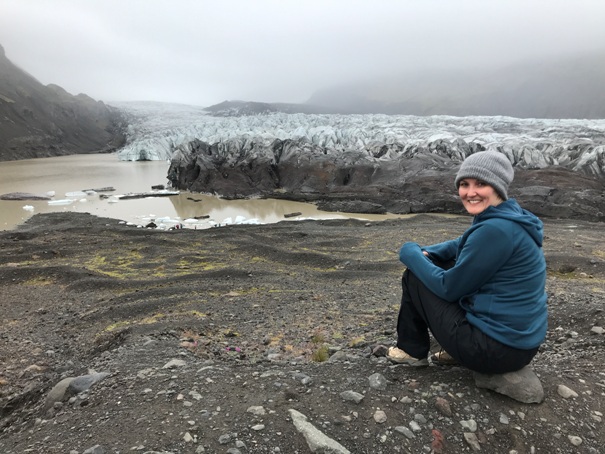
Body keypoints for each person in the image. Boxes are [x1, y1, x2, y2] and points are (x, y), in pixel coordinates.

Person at [388, 150, 548, 374]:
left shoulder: (495, 230)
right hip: (518, 344)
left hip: (493, 351)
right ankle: (447, 349)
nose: (470, 192)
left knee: (415, 275)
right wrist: (427, 252)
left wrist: (410, 251)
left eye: (480, 184)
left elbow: (448, 288)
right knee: (438, 264)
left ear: (497, 187)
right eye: (464, 184)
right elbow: (461, 243)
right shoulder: (510, 217)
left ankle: (411, 350)